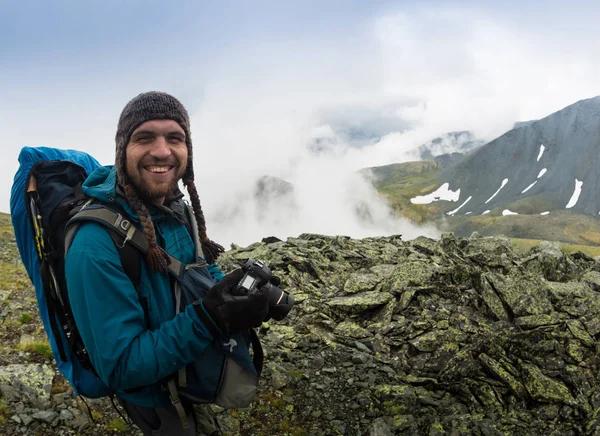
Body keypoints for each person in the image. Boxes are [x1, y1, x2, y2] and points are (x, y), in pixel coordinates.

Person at [64, 91, 271, 435]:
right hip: (155, 399)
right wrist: (209, 317)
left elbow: (200, 270)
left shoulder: (175, 206)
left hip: (188, 369)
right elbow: (121, 367)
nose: (162, 151)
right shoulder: (93, 245)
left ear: (188, 150)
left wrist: (237, 296)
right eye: (144, 137)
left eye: (174, 138)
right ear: (122, 151)